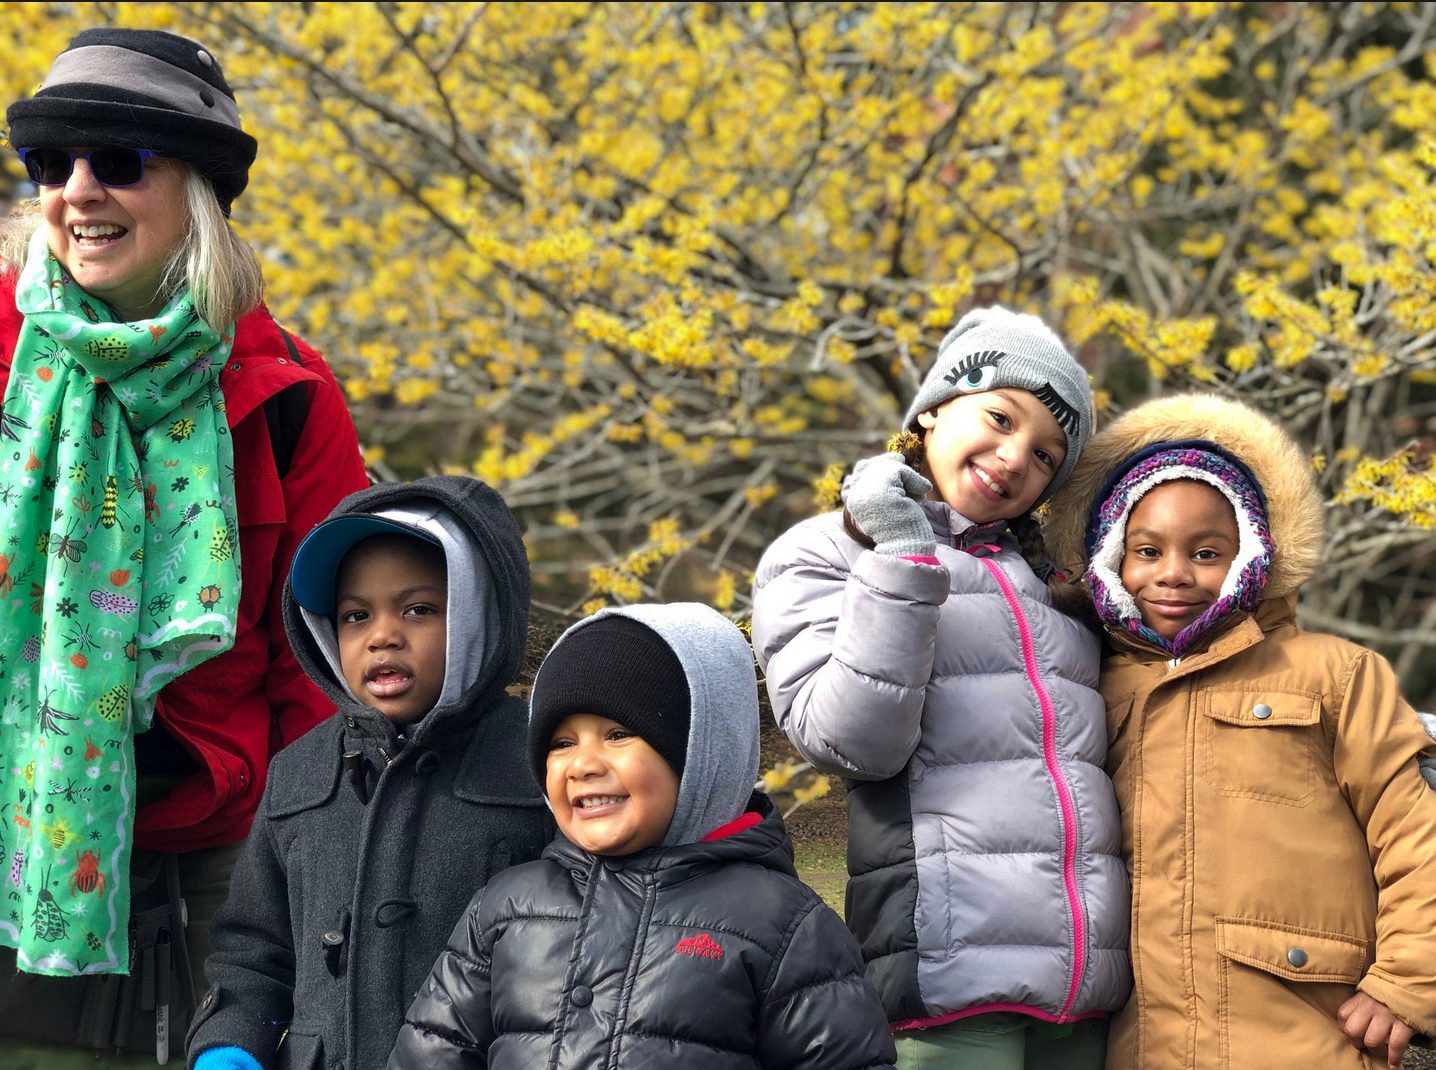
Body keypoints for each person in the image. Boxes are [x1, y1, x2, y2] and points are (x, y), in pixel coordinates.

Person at [0, 27, 368, 1063]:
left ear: (199, 189)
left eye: (117, 160)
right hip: (7, 815)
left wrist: (305, 849)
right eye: (50, 163)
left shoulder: (288, 390)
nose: (77, 190)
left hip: (214, 845)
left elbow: (321, 661)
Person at [751, 306, 1131, 1067]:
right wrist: (900, 556)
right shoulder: (827, 551)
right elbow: (849, 741)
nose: (1016, 456)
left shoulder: (1051, 589)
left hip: (1086, 991)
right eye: (999, 416)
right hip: (951, 982)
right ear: (931, 409)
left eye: (1047, 455)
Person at [1043, 393, 1436, 1070]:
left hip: (1313, 1039)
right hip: (1142, 1046)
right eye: (1146, 550)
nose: (1173, 573)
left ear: (1251, 554)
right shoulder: (1087, 684)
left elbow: (1414, 830)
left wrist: (1408, 981)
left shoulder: (1334, 675)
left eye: (1206, 551)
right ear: (1110, 557)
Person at [388, 602, 897, 1069]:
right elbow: (431, 1054)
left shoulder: (786, 926)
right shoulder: (506, 906)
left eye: (617, 734)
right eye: (561, 742)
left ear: (701, 749)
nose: (583, 764)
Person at [187, 475, 553, 1070]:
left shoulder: (542, 762)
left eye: (418, 609)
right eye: (356, 616)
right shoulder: (299, 775)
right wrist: (232, 1045)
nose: (382, 635)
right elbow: (253, 951)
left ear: (481, 616)